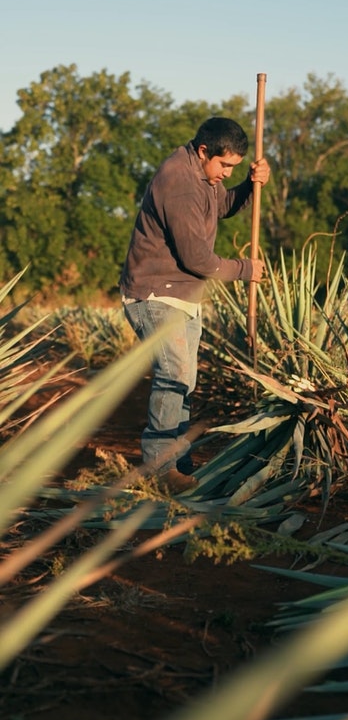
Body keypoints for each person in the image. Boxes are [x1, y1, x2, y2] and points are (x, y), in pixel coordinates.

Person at [120, 116, 270, 494]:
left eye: (233, 166)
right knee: (174, 376)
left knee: (185, 379)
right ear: (204, 151)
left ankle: (177, 461)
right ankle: (160, 468)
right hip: (155, 294)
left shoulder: (203, 176)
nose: (226, 173)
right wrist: (244, 269)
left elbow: (223, 206)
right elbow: (197, 258)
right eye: (224, 165)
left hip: (182, 295)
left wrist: (251, 186)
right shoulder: (180, 183)